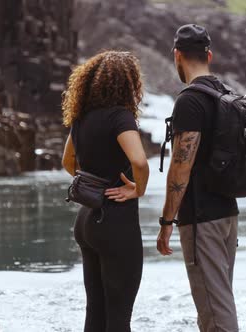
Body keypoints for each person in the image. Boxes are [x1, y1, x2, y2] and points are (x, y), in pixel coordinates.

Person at [157, 24, 240, 332]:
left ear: (177, 55)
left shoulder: (190, 101)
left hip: (201, 218)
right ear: (209, 55)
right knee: (217, 301)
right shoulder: (224, 93)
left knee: (216, 313)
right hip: (227, 214)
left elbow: (181, 168)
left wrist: (167, 222)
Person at [61, 50, 149, 332]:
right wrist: (137, 190)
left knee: (95, 312)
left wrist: (92, 182)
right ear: (129, 84)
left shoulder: (82, 117)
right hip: (115, 223)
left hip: (86, 220)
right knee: (119, 316)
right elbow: (139, 161)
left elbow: (67, 162)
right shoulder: (120, 117)